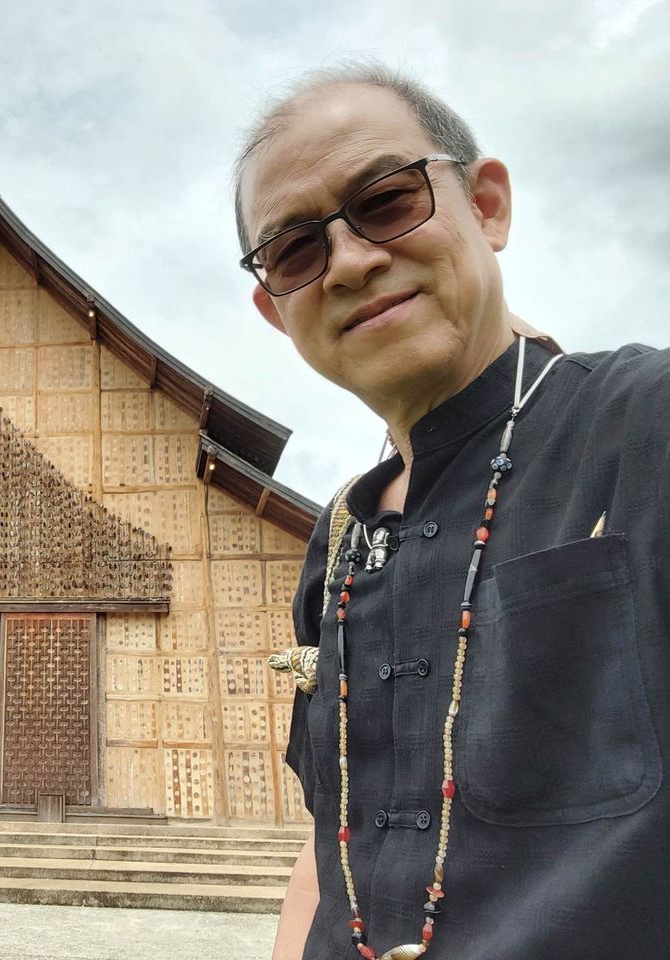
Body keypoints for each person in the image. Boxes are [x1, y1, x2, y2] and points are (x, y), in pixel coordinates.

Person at [233, 65, 670, 959]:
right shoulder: (337, 539)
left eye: (387, 202)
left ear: (488, 206)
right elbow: (329, 838)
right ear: (275, 309)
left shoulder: (644, 426)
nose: (351, 261)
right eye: (297, 251)